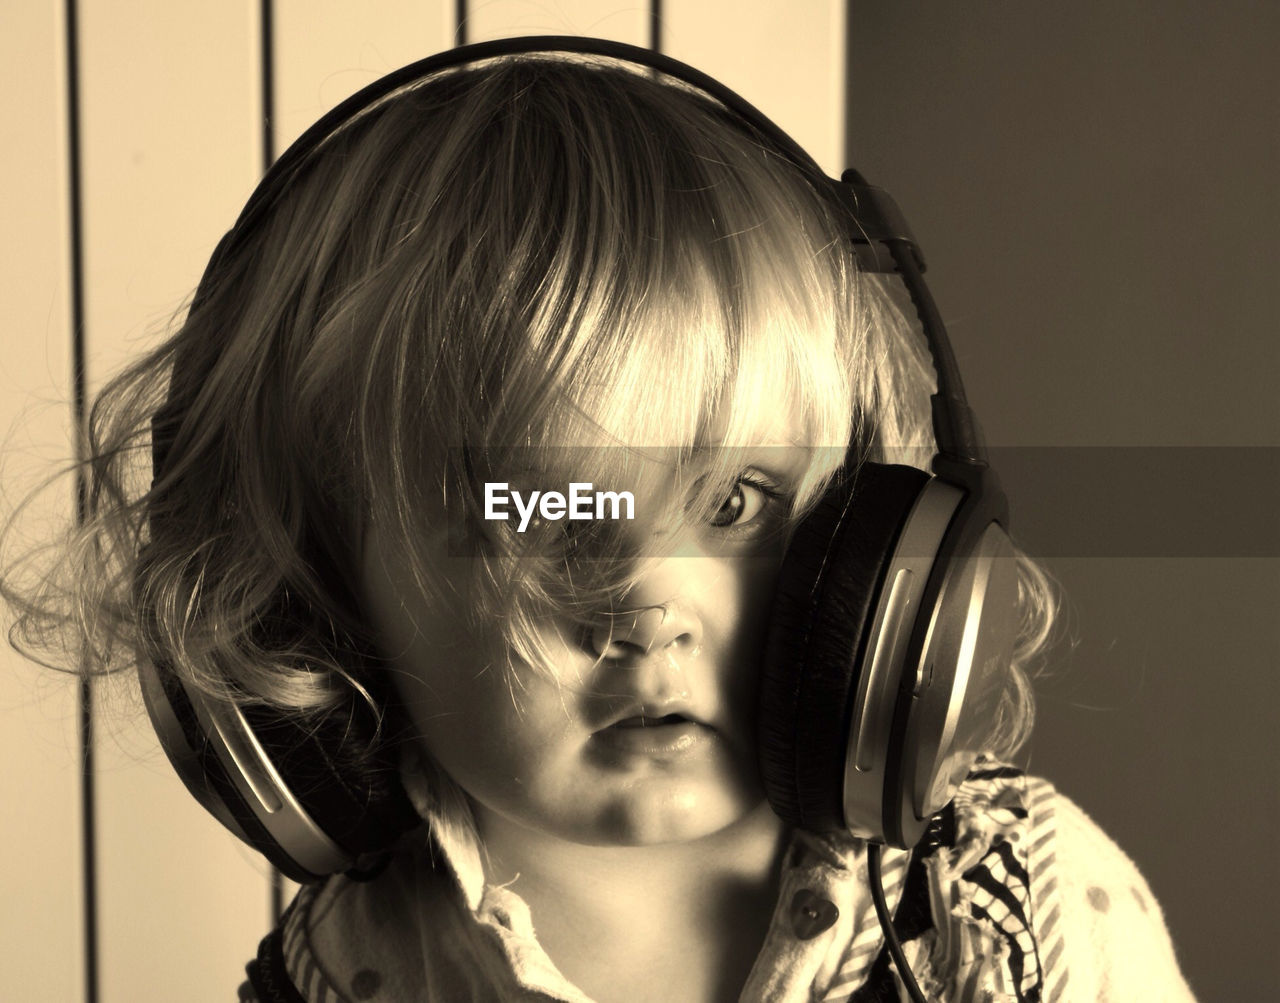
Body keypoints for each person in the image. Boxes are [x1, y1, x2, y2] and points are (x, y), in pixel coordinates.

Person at [2, 40, 1196, 1002]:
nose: (647, 613)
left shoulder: (1022, 916)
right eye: (540, 513)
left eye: (735, 502)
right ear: (323, 591)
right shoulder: (343, 970)